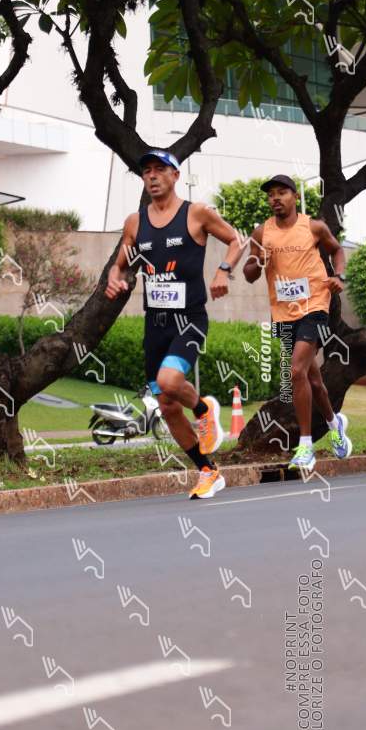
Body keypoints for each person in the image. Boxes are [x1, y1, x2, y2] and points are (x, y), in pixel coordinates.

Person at [105, 150, 243, 497]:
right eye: (146, 171)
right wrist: (114, 278)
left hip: (189, 319)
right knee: (166, 405)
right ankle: (208, 471)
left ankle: (203, 408)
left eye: (159, 170)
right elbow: (120, 264)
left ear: (175, 175)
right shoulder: (135, 222)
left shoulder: (196, 213)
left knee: (169, 382)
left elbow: (235, 240)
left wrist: (223, 271)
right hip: (155, 324)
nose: (152, 176)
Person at [242, 173, 352, 471]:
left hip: (315, 305)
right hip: (283, 311)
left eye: (282, 192)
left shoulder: (313, 227)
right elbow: (249, 274)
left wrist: (339, 275)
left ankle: (305, 445)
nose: (275, 198)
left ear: (295, 196)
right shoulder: (260, 233)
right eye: (271, 195)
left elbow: (337, 250)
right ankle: (334, 423)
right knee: (312, 379)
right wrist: (258, 261)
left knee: (295, 372)